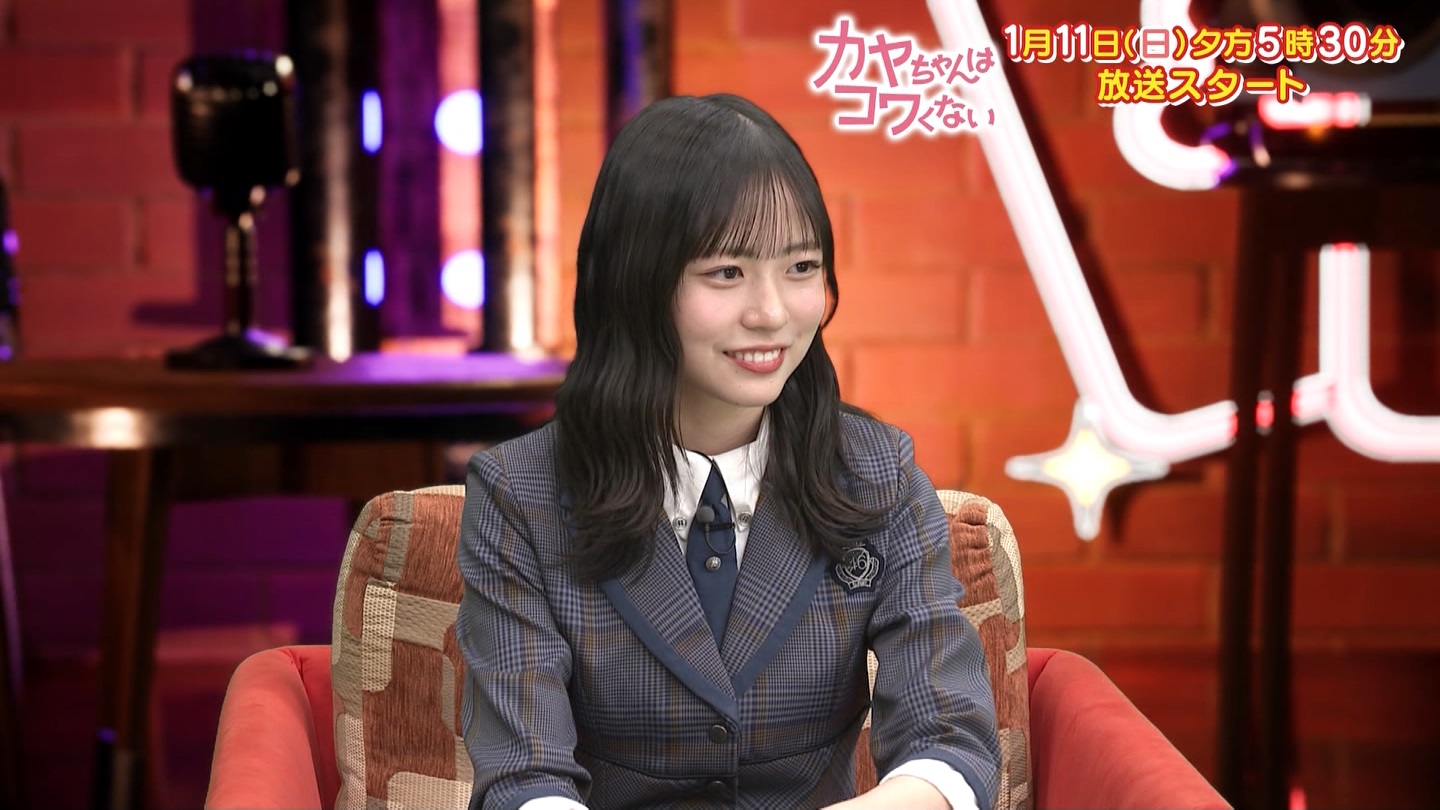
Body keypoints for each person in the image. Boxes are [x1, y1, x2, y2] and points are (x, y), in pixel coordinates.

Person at [457, 93, 1001, 810]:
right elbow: (524, 781)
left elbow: (950, 740)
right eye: (727, 273)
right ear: (635, 282)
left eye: (801, 266)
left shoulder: (877, 474)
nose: (771, 313)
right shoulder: (518, 493)